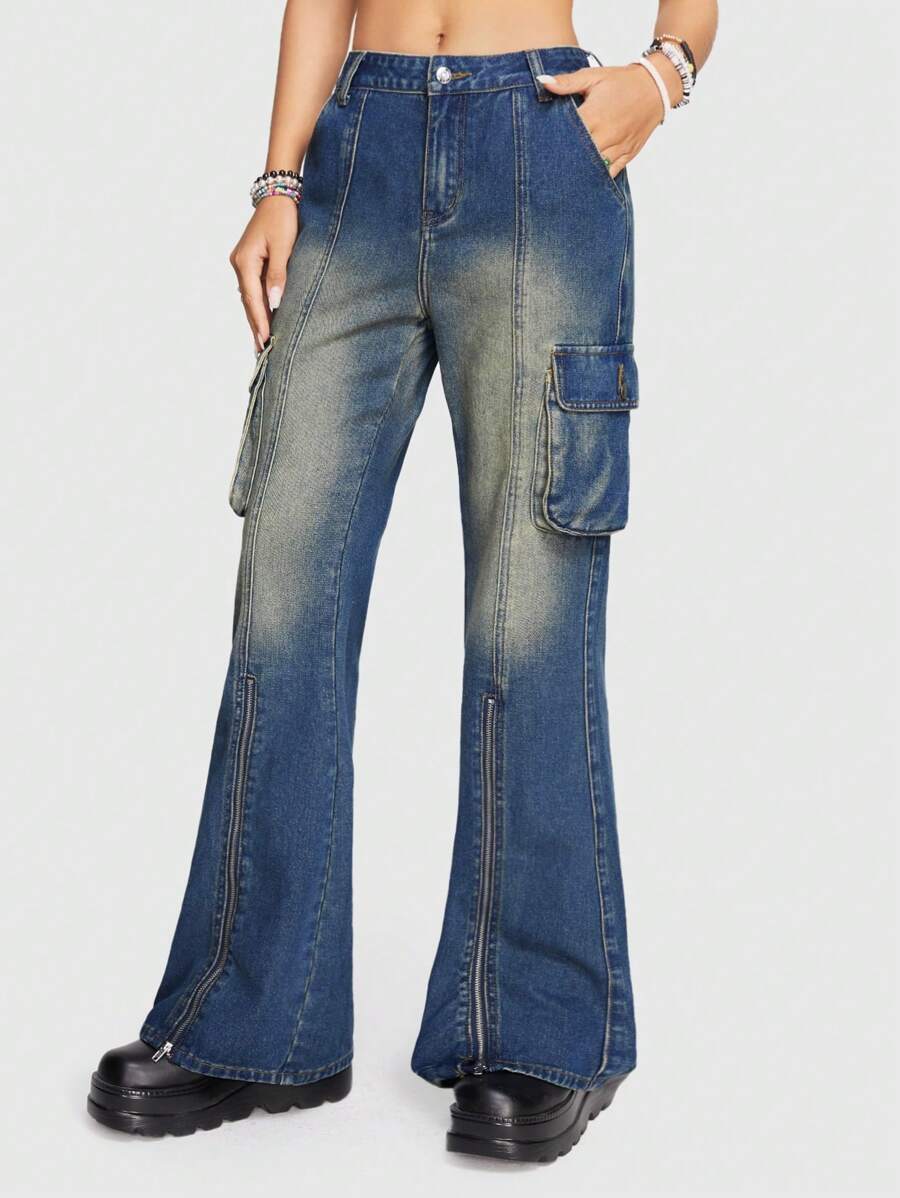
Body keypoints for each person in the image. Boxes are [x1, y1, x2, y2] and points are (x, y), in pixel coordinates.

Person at [87, 0, 717, 1162]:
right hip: (357, 155)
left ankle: (540, 1030)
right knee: (285, 597)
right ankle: (257, 1020)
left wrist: (666, 72)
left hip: (539, 138)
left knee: (529, 616)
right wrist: (280, 181)